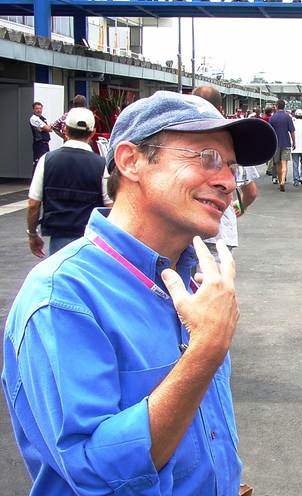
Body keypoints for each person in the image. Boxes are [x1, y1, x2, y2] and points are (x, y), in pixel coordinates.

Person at [2, 91, 277, 494]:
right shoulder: (63, 297)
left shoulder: (192, 283)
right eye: (207, 158)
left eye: (231, 167)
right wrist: (205, 351)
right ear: (131, 161)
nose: (227, 181)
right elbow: (95, 476)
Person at [26, 107, 112, 257]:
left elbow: (33, 203)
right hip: (90, 239)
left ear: (65, 129)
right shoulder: (101, 164)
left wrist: (32, 234)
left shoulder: (46, 160)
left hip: (58, 238)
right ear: (92, 133)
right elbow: (110, 206)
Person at [193, 85, 261, 262]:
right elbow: (251, 192)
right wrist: (241, 206)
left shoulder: (178, 139)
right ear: (220, 109)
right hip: (219, 234)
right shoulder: (232, 142)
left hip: (182, 234)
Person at [268, 99, 295, 191]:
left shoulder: (272, 118)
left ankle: (280, 182)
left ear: (276, 106)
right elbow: (292, 131)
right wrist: (294, 142)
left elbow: (269, 131)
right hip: (286, 142)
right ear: (284, 107)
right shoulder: (288, 117)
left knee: (278, 163)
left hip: (276, 143)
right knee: (284, 163)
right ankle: (283, 180)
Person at [29, 101, 52, 169]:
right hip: (39, 144)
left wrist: (42, 129)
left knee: (46, 162)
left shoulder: (44, 119)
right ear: (33, 110)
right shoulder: (34, 118)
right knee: (38, 163)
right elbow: (48, 128)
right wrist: (45, 128)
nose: (39, 110)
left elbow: (50, 129)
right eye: (37, 108)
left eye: (40, 108)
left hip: (46, 144)